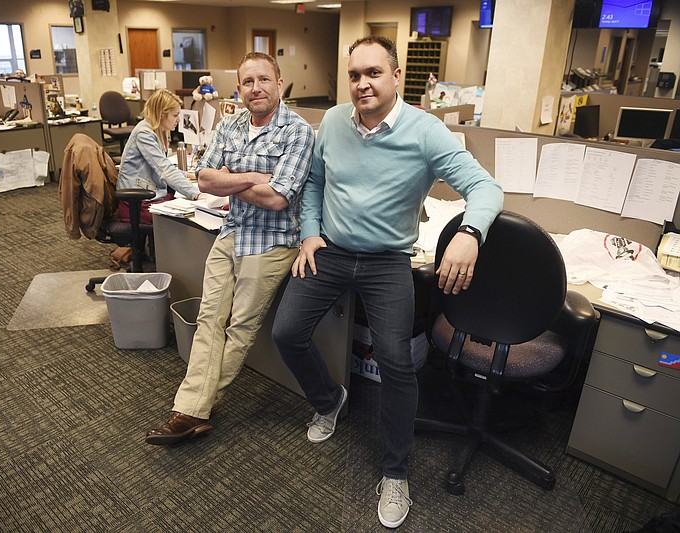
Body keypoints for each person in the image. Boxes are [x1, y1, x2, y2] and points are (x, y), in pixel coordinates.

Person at [271, 36, 503, 529]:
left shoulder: (426, 132)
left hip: (387, 262)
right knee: (286, 332)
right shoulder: (332, 121)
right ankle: (330, 400)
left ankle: (395, 473)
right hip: (331, 251)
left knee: (397, 362)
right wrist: (310, 233)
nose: (362, 84)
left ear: (397, 77)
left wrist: (470, 231)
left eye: (374, 73)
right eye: (354, 75)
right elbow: (314, 182)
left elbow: (485, 187)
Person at [145, 52, 315, 445]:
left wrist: (232, 179)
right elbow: (204, 179)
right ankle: (193, 411)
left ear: (279, 82)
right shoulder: (232, 123)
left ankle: (189, 411)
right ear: (238, 89)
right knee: (209, 319)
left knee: (240, 329)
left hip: (272, 242)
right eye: (248, 82)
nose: (256, 88)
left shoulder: (298, 131)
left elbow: (278, 200)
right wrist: (254, 176)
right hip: (232, 231)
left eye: (264, 80)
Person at [116, 88, 201, 225]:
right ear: (162, 115)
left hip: (152, 195)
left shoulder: (159, 131)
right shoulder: (144, 133)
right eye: (175, 115)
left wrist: (188, 175)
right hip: (138, 203)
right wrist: (196, 194)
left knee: (188, 209)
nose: (179, 120)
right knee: (186, 220)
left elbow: (159, 167)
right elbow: (164, 169)